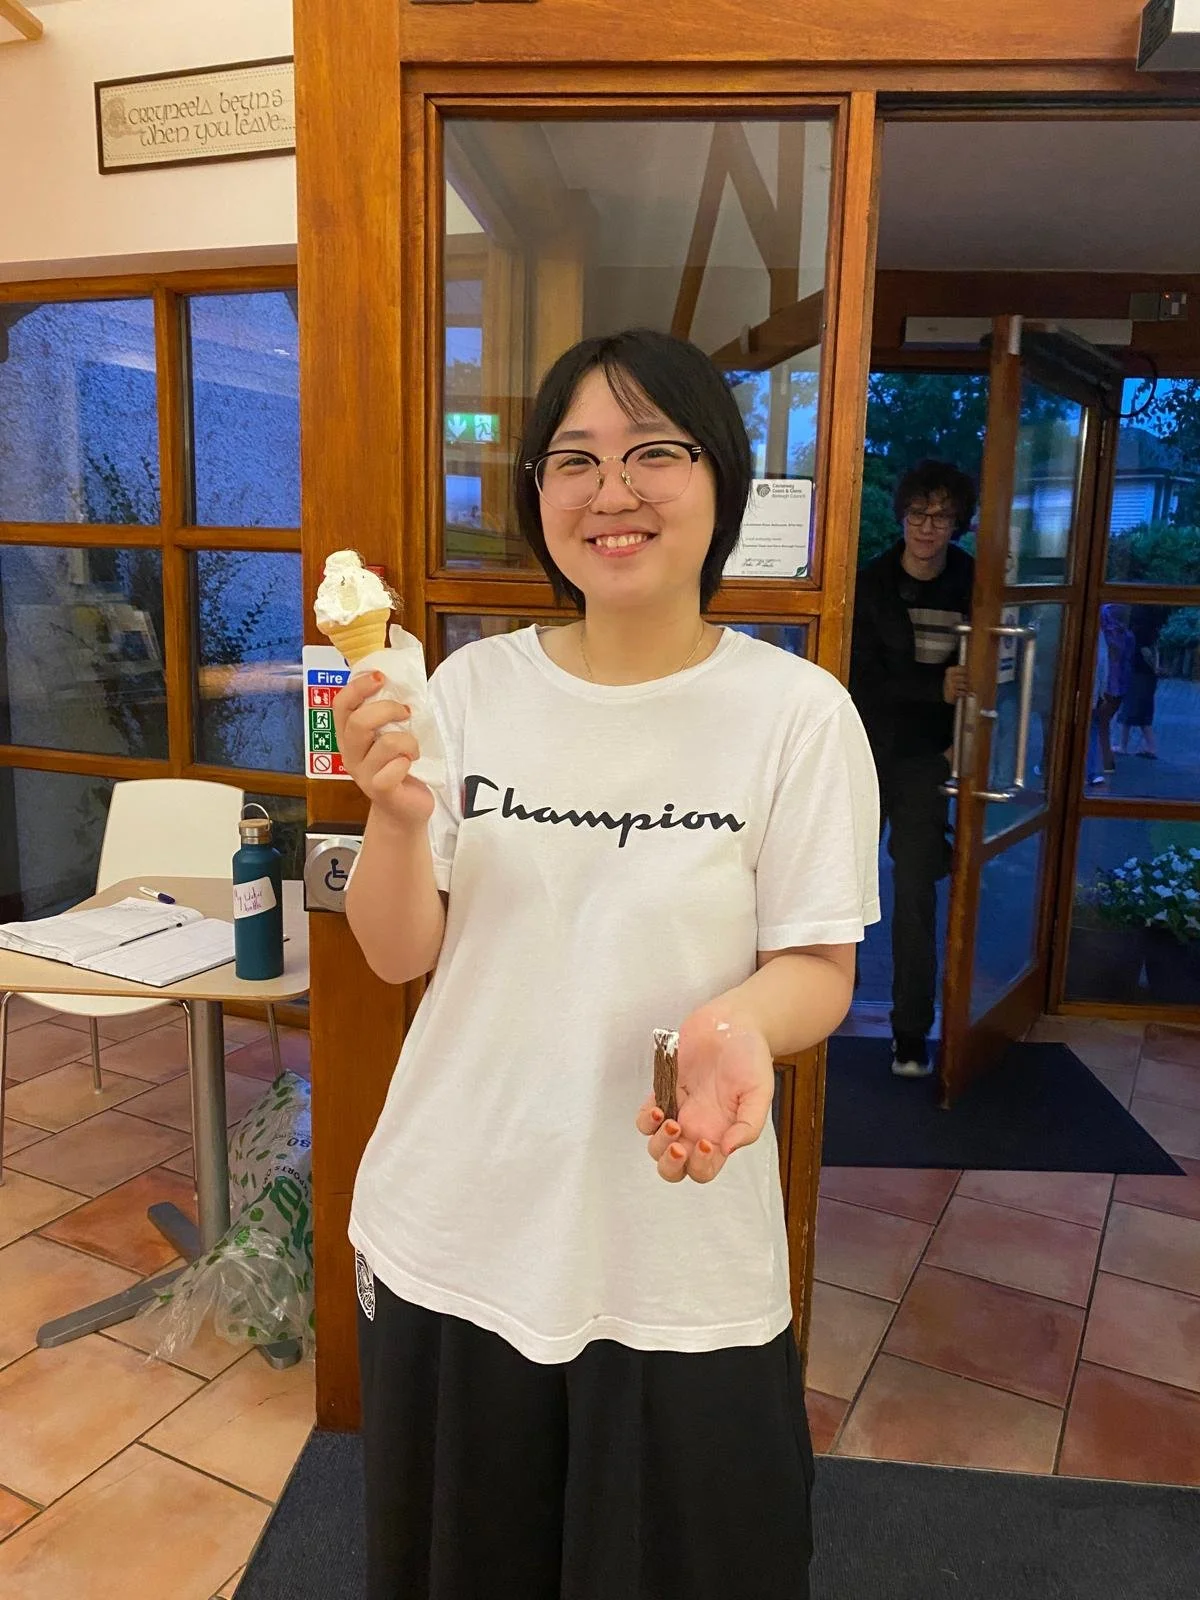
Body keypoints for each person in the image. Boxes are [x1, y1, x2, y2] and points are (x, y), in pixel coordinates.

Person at [333, 329, 880, 1600]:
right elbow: (394, 946)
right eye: (572, 459)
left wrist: (739, 1021)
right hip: (460, 1224)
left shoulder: (796, 717)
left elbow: (817, 964)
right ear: (536, 495)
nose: (611, 491)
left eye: (653, 453)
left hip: (672, 1242)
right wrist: (399, 820)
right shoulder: (467, 690)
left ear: (720, 481)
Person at [849, 459, 977, 1078]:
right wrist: (938, 689)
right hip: (865, 751)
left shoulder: (974, 585)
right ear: (902, 515)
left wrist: (962, 738)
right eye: (919, 513)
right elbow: (859, 681)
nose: (928, 527)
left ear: (958, 523)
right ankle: (813, 1014)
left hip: (929, 759)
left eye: (942, 516)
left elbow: (995, 675)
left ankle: (910, 1033)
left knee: (917, 893)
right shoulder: (870, 584)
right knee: (839, 887)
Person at [1087, 603, 1134, 781]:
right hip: (1120, 688)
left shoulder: (1105, 637)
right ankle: (1106, 764)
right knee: (1103, 726)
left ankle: (1102, 765)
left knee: (1098, 726)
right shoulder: (1128, 636)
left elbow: (1103, 665)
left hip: (1105, 687)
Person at [1116, 604, 1169, 759]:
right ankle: (1148, 746)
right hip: (1147, 676)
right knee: (1142, 710)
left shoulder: (1138, 632)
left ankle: (1124, 745)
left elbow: (1145, 652)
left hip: (1138, 673)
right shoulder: (1153, 631)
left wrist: (1154, 666)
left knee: (1131, 708)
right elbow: (1155, 650)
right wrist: (1156, 668)